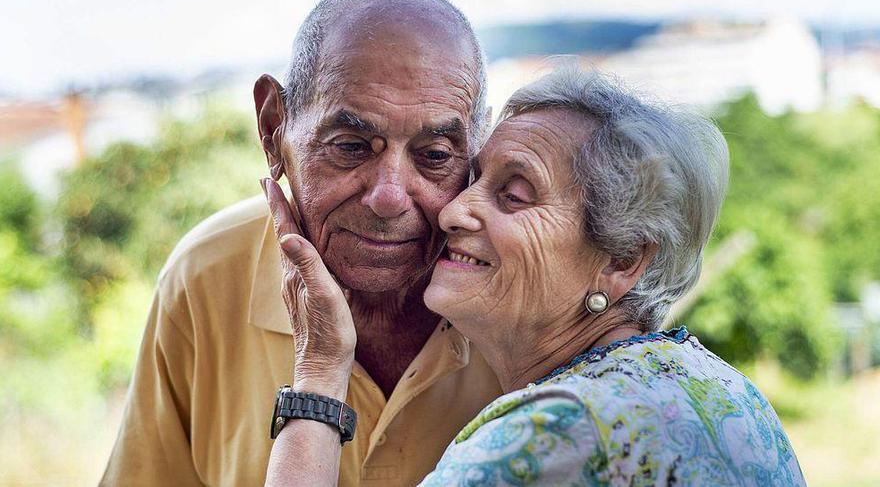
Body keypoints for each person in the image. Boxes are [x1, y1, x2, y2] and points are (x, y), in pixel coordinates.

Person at [262, 67, 807, 486]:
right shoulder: (719, 388)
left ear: (620, 259)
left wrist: (319, 371)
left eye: (514, 195)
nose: (452, 212)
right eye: (471, 177)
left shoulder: (557, 434)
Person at [100, 0, 504, 486]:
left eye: (435, 154)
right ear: (274, 129)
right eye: (352, 147)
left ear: (478, 147)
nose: (389, 197)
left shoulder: (522, 286)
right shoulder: (207, 275)